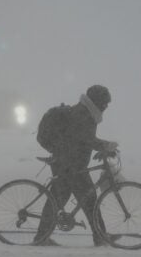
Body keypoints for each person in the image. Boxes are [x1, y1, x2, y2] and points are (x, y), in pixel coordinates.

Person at [34, 84, 119, 247]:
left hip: (69, 163)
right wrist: (106, 146)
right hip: (71, 165)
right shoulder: (83, 114)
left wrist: (101, 147)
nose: (106, 107)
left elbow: (82, 139)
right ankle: (100, 236)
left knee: (59, 200)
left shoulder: (86, 112)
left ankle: (41, 237)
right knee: (89, 200)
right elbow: (86, 137)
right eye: (105, 103)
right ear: (98, 101)